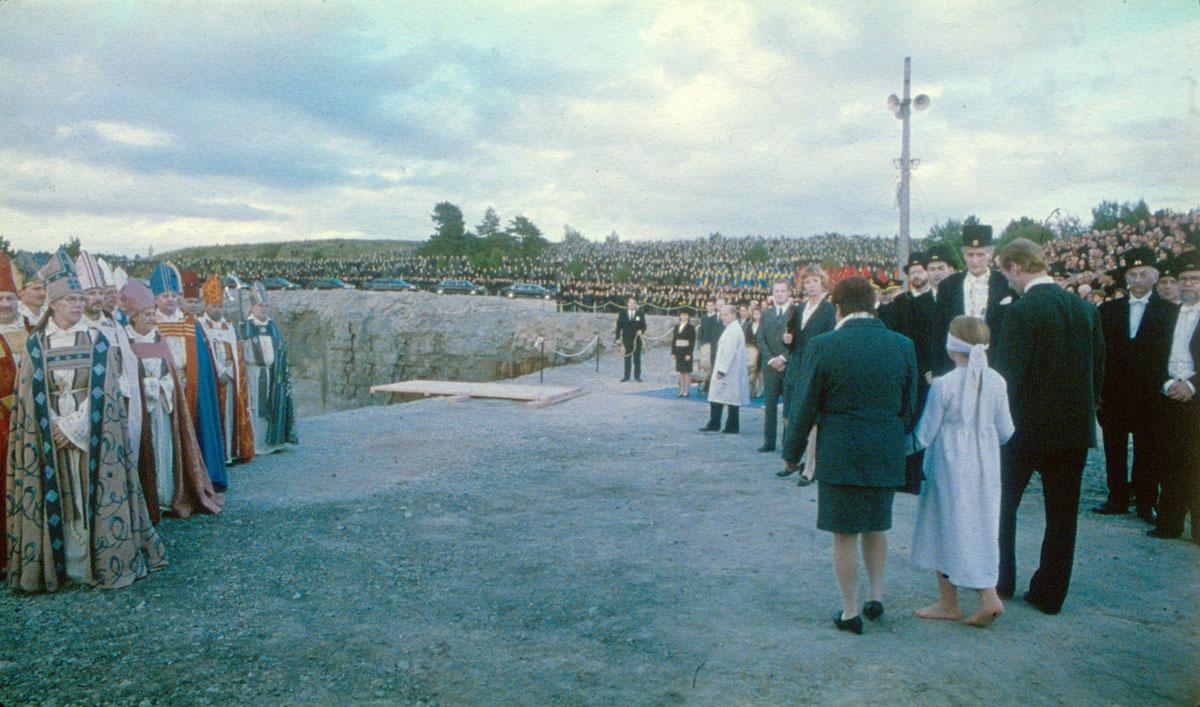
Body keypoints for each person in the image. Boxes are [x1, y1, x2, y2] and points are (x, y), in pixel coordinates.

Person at [6, 250, 166, 592]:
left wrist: (73, 427)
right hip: (50, 435)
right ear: (54, 302)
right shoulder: (35, 345)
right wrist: (54, 427)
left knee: (87, 496)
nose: (78, 305)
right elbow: (28, 397)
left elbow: (105, 391)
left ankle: (93, 563)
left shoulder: (98, 340)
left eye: (81, 298)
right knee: (63, 497)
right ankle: (60, 567)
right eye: (70, 299)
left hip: (85, 433)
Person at [782, 276, 918, 635]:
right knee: (876, 525)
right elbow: (909, 405)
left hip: (841, 447)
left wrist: (791, 453)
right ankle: (875, 597)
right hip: (885, 446)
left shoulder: (825, 345)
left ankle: (849, 611)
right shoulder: (903, 345)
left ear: (837, 307)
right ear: (873, 304)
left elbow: (805, 405)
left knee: (844, 533)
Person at [993, 239, 1105, 615]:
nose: (1007, 281)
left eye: (1005, 272)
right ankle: (1050, 594)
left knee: (1002, 506)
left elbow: (1008, 376)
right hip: (1073, 430)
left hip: (1024, 430)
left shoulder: (1022, 311)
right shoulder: (1085, 309)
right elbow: (1099, 369)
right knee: (1062, 517)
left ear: (1016, 267)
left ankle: (1000, 581)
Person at [910, 316, 1014, 628]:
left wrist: (893, 448)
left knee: (945, 525)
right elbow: (1007, 431)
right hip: (986, 467)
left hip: (949, 465)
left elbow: (924, 435)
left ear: (953, 347)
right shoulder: (997, 381)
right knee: (979, 525)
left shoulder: (943, 384)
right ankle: (976, 596)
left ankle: (962, 600)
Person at [122, 280, 224, 524]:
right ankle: (147, 500)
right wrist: (147, 388)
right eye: (147, 314)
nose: (151, 318)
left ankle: (167, 496)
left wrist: (164, 386)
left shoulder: (159, 338)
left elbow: (170, 375)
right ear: (134, 316)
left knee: (165, 450)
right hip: (139, 410)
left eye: (151, 314)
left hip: (163, 407)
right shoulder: (125, 340)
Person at [1093, 247, 1175, 521]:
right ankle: (1116, 497)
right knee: (1113, 447)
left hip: (1150, 394)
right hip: (1115, 393)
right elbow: (1099, 352)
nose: (1138, 280)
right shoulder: (1108, 310)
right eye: (1132, 274)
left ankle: (1145, 501)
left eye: (1143, 274)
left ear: (1154, 277)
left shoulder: (1169, 312)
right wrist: (1099, 391)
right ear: (1126, 277)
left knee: (1147, 449)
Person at [150, 261, 229, 491]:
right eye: (165, 295)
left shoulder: (189, 322)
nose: (171, 299)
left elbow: (202, 363)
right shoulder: (150, 323)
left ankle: (198, 480)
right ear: (155, 298)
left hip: (190, 386)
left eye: (174, 295)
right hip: (164, 388)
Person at [1146, 251, 1200, 542]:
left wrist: (1191, 386)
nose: (1187, 284)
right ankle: (1169, 524)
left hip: (1196, 398)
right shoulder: (1167, 315)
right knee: (1170, 461)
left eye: (1194, 279)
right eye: (1183, 279)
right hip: (1169, 396)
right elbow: (1153, 357)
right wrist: (1167, 384)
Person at [76, 251, 144, 464]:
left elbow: (128, 366)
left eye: (100, 292)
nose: (97, 298)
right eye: (90, 293)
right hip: (84, 407)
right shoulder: (76, 329)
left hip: (117, 402)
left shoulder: (115, 327)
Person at [779, 266, 836, 484]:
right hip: (795, 365)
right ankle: (792, 460)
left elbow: (830, 341)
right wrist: (788, 342)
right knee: (790, 413)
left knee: (812, 419)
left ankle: (810, 468)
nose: (810, 285)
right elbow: (794, 338)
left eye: (814, 281)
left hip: (815, 368)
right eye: (807, 282)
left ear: (823, 283)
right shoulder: (799, 308)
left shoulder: (829, 310)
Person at [932, 225, 1013, 375]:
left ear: (990, 253)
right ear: (964, 254)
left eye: (980, 254)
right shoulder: (948, 285)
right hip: (956, 365)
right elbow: (939, 330)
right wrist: (938, 371)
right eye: (970, 255)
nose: (975, 260)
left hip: (995, 365)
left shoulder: (1005, 283)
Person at [198, 275, 255, 465]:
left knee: (231, 415)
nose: (217, 310)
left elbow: (236, 352)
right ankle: (218, 455)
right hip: (214, 380)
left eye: (220, 306)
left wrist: (231, 371)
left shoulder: (228, 326)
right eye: (213, 306)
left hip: (231, 379)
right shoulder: (200, 326)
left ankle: (232, 451)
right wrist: (219, 371)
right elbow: (204, 353)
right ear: (206, 306)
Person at [242, 284, 299, 453]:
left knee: (272, 404)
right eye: (260, 305)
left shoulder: (272, 325)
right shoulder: (246, 326)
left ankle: (272, 442)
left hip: (272, 374)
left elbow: (280, 347)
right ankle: (256, 445)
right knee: (254, 406)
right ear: (252, 307)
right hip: (253, 373)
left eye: (266, 306)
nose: (264, 309)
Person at [0, 255, 23, 578]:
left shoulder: (28, 330)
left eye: (9, 298)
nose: (5, 305)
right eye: (0, 299)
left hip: (26, 417)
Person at [756, 281, 792, 452]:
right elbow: (760, 339)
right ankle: (768, 442)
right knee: (769, 407)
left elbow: (798, 340)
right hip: (770, 367)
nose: (779, 294)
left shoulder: (795, 313)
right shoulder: (766, 313)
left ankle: (788, 444)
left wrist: (783, 358)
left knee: (788, 408)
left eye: (782, 291)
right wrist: (771, 359)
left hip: (788, 366)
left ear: (788, 293)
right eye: (776, 291)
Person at [700, 304, 748, 434]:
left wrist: (722, 370)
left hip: (728, 370)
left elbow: (729, 352)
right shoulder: (731, 328)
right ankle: (717, 423)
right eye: (721, 315)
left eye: (726, 315)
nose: (723, 317)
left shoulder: (733, 331)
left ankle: (727, 425)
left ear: (733, 315)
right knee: (721, 397)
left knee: (727, 397)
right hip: (729, 369)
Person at [615, 297, 647, 382]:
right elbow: (618, 327)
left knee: (637, 359)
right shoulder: (622, 313)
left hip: (636, 340)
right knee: (627, 358)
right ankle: (626, 376)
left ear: (636, 304)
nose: (632, 304)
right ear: (628, 303)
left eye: (634, 303)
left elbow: (644, 326)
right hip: (626, 340)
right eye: (630, 303)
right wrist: (617, 338)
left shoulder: (640, 313)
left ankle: (637, 376)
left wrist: (641, 331)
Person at [671, 309, 696, 397]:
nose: (683, 317)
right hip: (678, 351)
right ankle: (681, 390)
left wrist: (689, 353)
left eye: (685, 315)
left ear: (688, 317)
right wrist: (673, 352)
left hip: (686, 351)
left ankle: (686, 390)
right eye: (682, 315)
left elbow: (692, 341)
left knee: (686, 372)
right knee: (680, 372)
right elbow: (674, 340)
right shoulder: (676, 327)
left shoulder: (691, 327)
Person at [744, 306, 763, 399]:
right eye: (754, 314)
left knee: (760, 371)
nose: (756, 316)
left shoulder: (764, 325)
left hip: (761, 350)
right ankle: (752, 389)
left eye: (758, 314)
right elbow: (747, 337)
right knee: (753, 370)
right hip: (752, 349)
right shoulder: (750, 325)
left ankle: (760, 388)